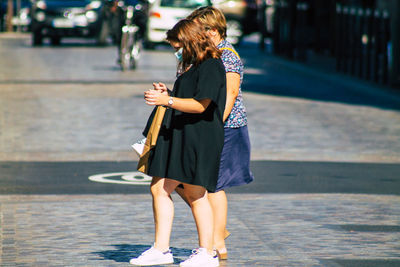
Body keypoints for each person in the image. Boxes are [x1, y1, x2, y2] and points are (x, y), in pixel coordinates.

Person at [129, 19, 226, 267]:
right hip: (182, 133)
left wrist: (167, 101)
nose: (176, 52)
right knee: (160, 187)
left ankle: (207, 252)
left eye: (178, 46)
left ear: (191, 41)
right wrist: (170, 95)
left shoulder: (211, 66)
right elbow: (188, 98)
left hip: (199, 137)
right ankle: (162, 249)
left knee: (195, 193)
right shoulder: (194, 65)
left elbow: (201, 105)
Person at [183, 6, 254, 260]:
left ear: (213, 31)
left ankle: (216, 244)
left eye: (200, 31)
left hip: (227, 127)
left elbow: (231, 94)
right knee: (196, 184)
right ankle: (216, 235)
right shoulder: (209, 54)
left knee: (214, 185)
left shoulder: (228, 56)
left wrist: (214, 125)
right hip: (214, 126)